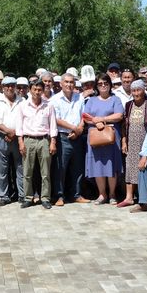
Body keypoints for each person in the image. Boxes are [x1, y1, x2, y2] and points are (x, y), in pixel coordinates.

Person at [83, 75, 125, 204]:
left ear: (110, 84)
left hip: (111, 137)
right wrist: (96, 122)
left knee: (111, 165)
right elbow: (85, 116)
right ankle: (102, 194)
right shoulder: (91, 100)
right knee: (97, 165)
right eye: (100, 83)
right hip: (95, 137)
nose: (103, 85)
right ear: (96, 86)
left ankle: (112, 194)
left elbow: (119, 115)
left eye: (105, 83)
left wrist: (102, 119)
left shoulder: (115, 99)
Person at [16, 80, 57, 209]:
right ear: (30, 90)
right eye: (34, 89)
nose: (37, 92)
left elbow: (53, 125)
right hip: (28, 140)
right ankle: (28, 198)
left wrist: (53, 142)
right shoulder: (23, 105)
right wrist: (21, 142)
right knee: (27, 171)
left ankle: (45, 198)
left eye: (39, 90)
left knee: (45, 172)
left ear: (43, 91)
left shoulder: (49, 105)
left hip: (44, 140)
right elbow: (19, 126)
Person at [51, 72, 89, 205]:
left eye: (71, 82)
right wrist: (74, 128)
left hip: (77, 137)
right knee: (60, 168)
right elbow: (56, 119)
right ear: (61, 84)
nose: (69, 84)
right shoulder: (55, 99)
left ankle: (76, 194)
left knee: (78, 167)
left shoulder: (80, 98)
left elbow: (84, 116)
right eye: (66, 82)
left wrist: (79, 130)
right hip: (63, 137)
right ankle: (59, 196)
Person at [119, 79, 147, 207]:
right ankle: (129, 197)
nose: (136, 93)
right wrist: (124, 141)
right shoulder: (128, 105)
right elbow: (124, 125)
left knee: (145, 168)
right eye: (133, 90)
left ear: (143, 90)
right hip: (131, 142)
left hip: (146, 142)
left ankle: (146, 197)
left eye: (138, 90)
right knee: (130, 168)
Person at [0, 77, 24, 206]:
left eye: (12, 85)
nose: (10, 88)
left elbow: (26, 119)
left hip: (19, 137)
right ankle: (3, 196)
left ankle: (22, 194)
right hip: (1, 137)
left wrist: (14, 133)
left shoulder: (22, 100)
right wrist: (8, 132)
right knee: (1, 169)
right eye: (7, 86)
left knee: (20, 167)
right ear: (2, 87)